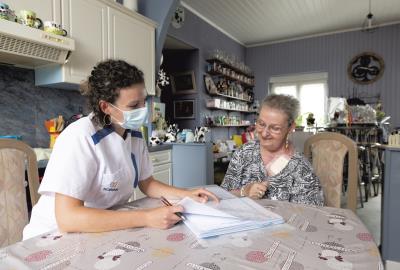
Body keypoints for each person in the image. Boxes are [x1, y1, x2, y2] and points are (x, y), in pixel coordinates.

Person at [23, 60, 218, 240]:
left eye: (144, 101)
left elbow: (147, 183)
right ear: (106, 107)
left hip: (101, 229)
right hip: (53, 235)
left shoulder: (133, 134)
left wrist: (186, 193)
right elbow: (68, 219)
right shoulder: (79, 136)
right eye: (134, 105)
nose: (143, 110)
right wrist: (146, 217)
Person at [221, 94, 324, 206]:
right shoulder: (244, 153)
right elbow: (222, 196)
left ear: (291, 127)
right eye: (261, 124)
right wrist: (243, 191)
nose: (264, 133)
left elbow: (311, 214)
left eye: (275, 128)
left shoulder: (302, 169)